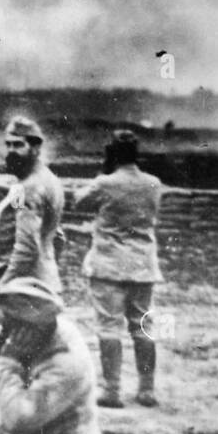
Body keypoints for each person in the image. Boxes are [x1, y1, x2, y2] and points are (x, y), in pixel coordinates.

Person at [0, 277, 121, 434]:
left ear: (27, 328)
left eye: (11, 328)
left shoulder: (65, 365)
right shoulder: (46, 330)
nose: (7, 335)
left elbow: (18, 419)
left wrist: (6, 362)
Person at [74, 130, 164, 408]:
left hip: (109, 265)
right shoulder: (153, 183)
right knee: (143, 328)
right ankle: (146, 389)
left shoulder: (104, 182)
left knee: (109, 327)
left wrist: (104, 173)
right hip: (142, 265)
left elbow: (79, 202)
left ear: (111, 153)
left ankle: (112, 390)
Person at [0, 116, 65, 368]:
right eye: (8, 145)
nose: (11, 151)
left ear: (35, 148)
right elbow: (57, 236)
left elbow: (26, 246)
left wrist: (6, 284)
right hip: (38, 277)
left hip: (20, 283)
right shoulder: (41, 181)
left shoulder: (30, 188)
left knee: (16, 360)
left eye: (18, 145)